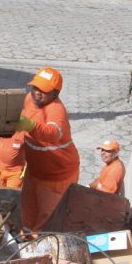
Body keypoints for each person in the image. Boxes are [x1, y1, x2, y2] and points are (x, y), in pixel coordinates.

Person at [13, 67, 80, 235]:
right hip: (35, 172)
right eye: (35, 87)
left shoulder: (56, 110)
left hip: (56, 177)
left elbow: (53, 133)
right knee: (28, 211)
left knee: (47, 218)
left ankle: (38, 248)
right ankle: (26, 238)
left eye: (43, 90)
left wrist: (31, 126)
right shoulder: (29, 99)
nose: (37, 93)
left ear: (55, 93)